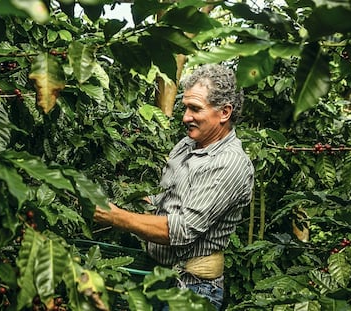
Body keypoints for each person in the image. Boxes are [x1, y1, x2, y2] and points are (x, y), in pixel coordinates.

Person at [93, 64, 254, 310]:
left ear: (224, 112)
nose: (185, 117)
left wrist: (116, 216)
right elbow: (164, 203)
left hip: (193, 289)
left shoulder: (229, 162)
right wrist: (128, 198)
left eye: (195, 109)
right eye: (185, 107)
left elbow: (181, 229)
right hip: (159, 277)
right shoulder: (187, 144)